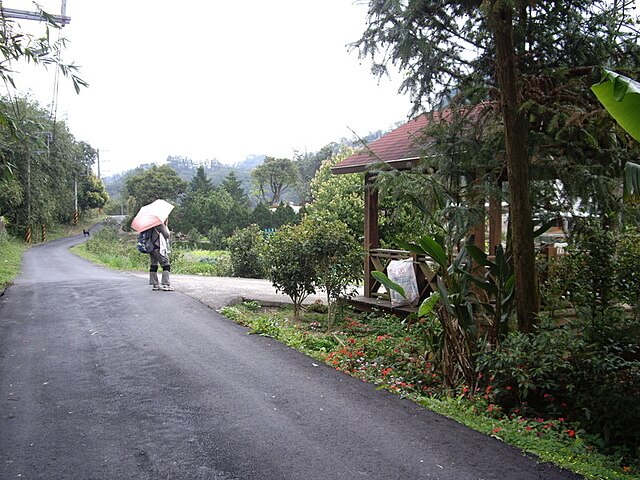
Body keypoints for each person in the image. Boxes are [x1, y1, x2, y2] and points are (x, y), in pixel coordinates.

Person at [149, 220, 174, 291]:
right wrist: (165, 226)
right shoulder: (160, 224)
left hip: (151, 248)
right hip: (159, 248)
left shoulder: (150, 225)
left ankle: (155, 284)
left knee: (153, 265)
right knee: (166, 264)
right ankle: (166, 284)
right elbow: (167, 235)